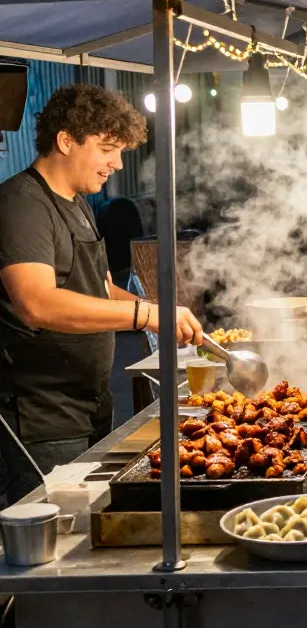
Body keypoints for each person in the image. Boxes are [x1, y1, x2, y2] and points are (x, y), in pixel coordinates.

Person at [0, 84, 203, 503]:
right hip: (41, 418)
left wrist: (161, 309)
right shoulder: (22, 205)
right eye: (108, 148)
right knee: (51, 544)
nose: (116, 163)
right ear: (65, 140)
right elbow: (35, 303)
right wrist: (145, 318)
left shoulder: (78, 202)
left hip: (89, 404)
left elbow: (101, 288)